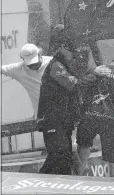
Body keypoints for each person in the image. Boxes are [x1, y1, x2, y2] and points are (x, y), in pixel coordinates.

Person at [36, 39, 86, 175]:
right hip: (52, 119)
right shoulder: (56, 65)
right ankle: (36, 181)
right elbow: (74, 84)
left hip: (64, 120)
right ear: (62, 48)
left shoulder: (66, 64)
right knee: (60, 153)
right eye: (72, 52)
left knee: (66, 160)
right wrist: (92, 75)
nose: (74, 56)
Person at [1, 43, 52, 118]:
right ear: (22, 59)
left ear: (39, 54)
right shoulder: (18, 69)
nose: (33, 66)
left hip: (60, 111)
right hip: (42, 117)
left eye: (35, 62)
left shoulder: (52, 62)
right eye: (30, 63)